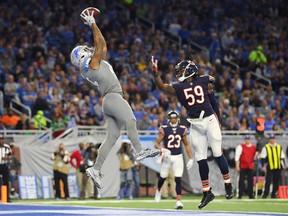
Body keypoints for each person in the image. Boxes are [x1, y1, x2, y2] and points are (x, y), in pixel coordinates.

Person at [70, 8, 159, 189]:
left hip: (108, 100)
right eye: (85, 50)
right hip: (112, 96)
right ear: (82, 56)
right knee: (131, 120)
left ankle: (96, 168)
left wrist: (94, 25)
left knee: (112, 137)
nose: (89, 49)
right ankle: (140, 151)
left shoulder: (89, 65)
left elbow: (102, 44)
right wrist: (92, 24)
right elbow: (98, 43)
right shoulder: (89, 63)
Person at [151, 57, 233, 209]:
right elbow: (162, 87)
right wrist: (155, 73)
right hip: (194, 124)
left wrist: (218, 118)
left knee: (216, 152)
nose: (179, 73)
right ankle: (207, 192)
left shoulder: (203, 81)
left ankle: (228, 183)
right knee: (201, 158)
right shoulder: (179, 86)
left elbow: (212, 91)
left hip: (209, 120)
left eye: (181, 70)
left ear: (189, 70)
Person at [154, 111, 193, 209]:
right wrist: (162, 149)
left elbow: (186, 144)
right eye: (171, 118)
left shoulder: (182, 129)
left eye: (175, 118)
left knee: (178, 178)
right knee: (163, 177)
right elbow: (156, 143)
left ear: (178, 118)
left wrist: (191, 158)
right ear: (168, 119)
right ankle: (158, 190)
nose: (173, 119)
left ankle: (179, 201)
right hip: (167, 157)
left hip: (178, 156)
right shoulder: (165, 129)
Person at [260, 134, 286, 198]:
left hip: (277, 165)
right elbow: (263, 157)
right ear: (269, 140)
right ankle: (265, 193)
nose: (272, 140)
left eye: (273, 139)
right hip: (270, 165)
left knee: (276, 180)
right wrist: (263, 166)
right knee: (268, 180)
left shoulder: (279, 147)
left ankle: (274, 193)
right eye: (271, 139)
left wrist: (284, 166)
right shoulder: (266, 147)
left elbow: (282, 157)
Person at [0, 134, 12, 202]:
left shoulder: (6, 147)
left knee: (6, 181)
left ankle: (7, 197)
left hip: (4, 165)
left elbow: (10, 156)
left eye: (2, 139)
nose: (1, 140)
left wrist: (6, 158)